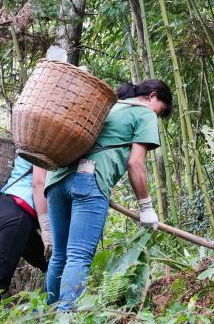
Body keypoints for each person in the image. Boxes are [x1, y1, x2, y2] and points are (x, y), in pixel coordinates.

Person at [44, 79, 173, 310]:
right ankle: (65, 317)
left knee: (60, 256)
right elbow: (135, 163)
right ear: (152, 96)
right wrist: (146, 207)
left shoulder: (108, 106)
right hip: (88, 179)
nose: (157, 116)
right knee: (78, 256)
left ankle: (49, 315)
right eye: (161, 110)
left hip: (55, 179)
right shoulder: (144, 113)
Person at [0, 156, 52, 299]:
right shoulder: (40, 147)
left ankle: (46, 313)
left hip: (8, 209)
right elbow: (38, 183)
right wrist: (46, 228)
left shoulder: (28, 142)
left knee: (53, 263)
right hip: (17, 212)